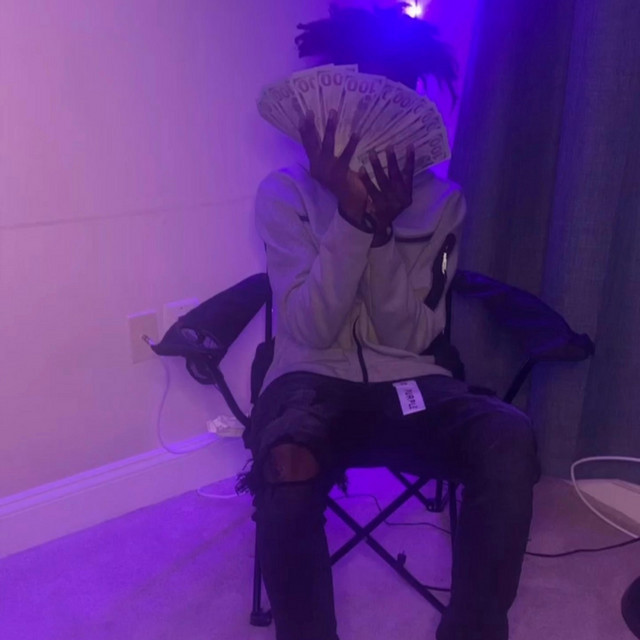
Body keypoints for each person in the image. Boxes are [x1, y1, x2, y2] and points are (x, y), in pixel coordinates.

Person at [238, 6, 542, 640]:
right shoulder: (283, 194)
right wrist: (352, 220)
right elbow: (311, 329)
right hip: (309, 380)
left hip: (411, 383)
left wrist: (380, 229)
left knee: (508, 436)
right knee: (287, 460)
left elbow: (412, 337)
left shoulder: (444, 201)